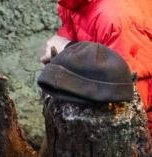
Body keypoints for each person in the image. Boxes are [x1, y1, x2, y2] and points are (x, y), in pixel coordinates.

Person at [40, 0, 152, 132]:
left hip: (137, 133)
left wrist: (68, 49)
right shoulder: (75, 4)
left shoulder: (115, 19)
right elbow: (73, 33)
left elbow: (126, 101)